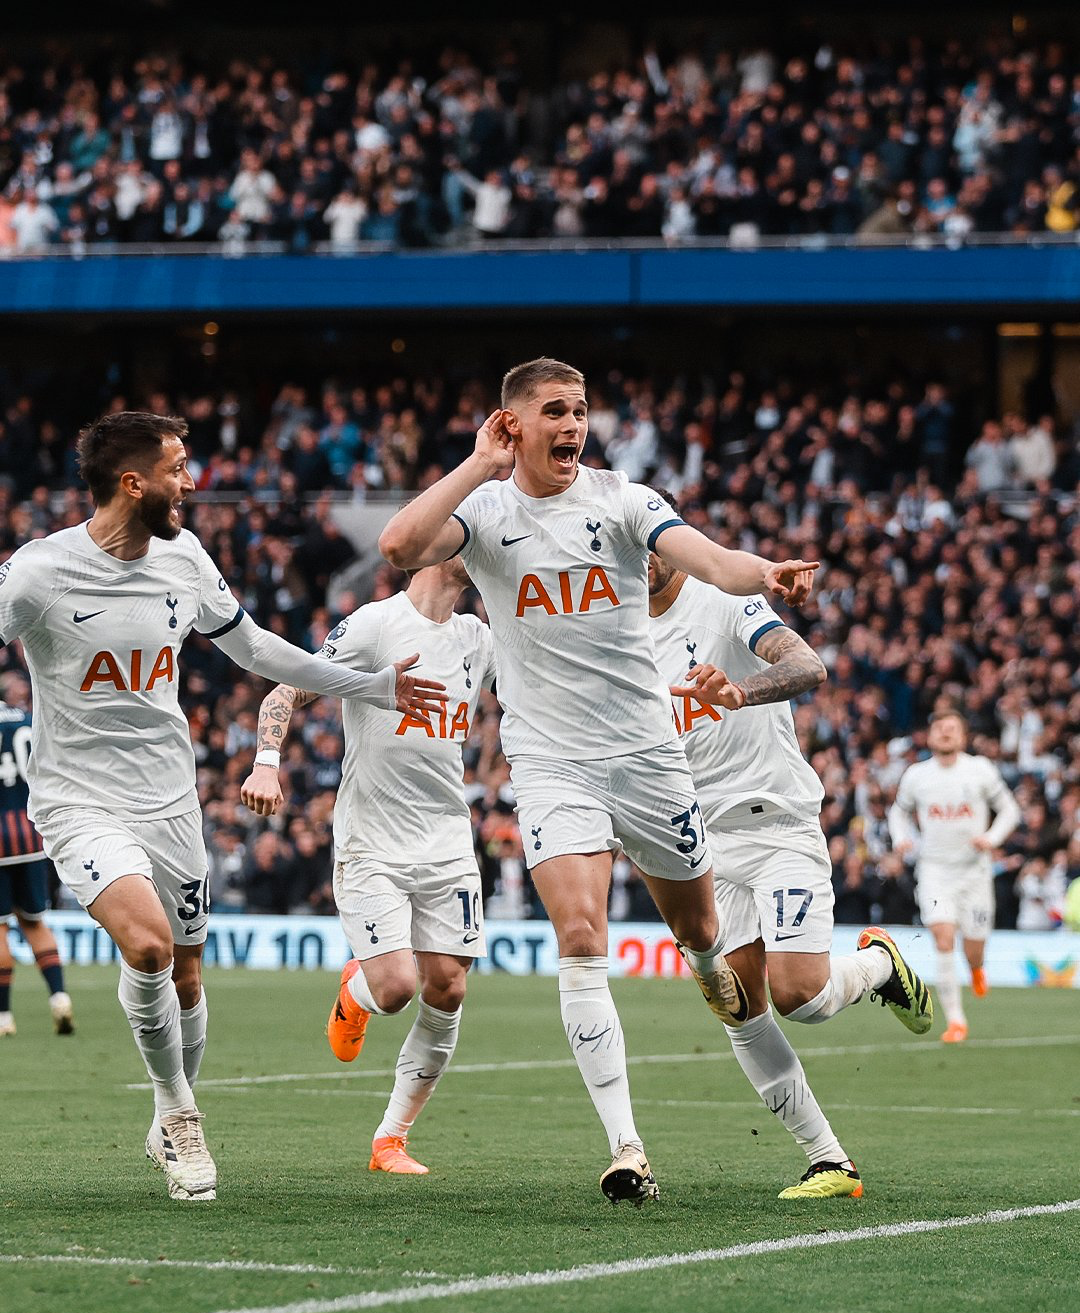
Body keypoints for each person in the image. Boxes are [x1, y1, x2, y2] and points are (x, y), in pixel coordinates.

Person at [378, 356, 819, 1206]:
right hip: (552, 761)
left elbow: (711, 560)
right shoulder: (485, 510)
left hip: (649, 755)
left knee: (701, 936)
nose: (573, 424)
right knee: (580, 939)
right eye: (554, 411)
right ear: (514, 426)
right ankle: (627, 1148)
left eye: (580, 409)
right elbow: (400, 548)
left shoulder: (623, 499)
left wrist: (764, 572)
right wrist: (478, 463)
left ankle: (703, 961)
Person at [0, 411, 446, 1202]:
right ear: (134, 483)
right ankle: (178, 1115)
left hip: (170, 795)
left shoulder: (185, 557)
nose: (193, 480)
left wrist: (370, 686)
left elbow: (254, 650)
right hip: (78, 798)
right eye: (178, 467)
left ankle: (174, 1103)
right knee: (147, 947)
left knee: (188, 974)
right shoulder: (39, 573)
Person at [647, 518, 934, 1201]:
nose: (639, 562)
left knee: (799, 997)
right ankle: (829, 1161)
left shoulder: (722, 598)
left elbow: (808, 664)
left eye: (647, 546)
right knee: (740, 1008)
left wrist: (740, 692)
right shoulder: (622, 635)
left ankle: (877, 964)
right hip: (703, 846)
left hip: (775, 824)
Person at [241, 557, 495, 1176]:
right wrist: (267, 762)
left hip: (447, 840)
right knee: (395, 988)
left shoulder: (479, 639)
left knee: (449, 988)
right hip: (373, 841)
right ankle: (354, 994)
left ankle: (390, 1142)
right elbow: (285, 689)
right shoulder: (374, 626)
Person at [888, 709, 1021, 1044]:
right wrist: (900, 838)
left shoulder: (979, 770)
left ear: (963, 736)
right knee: (943, 938)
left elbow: (1010, 809)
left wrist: (990, 839)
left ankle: (977, 968)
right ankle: (956, 1021)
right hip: (934, 869)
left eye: (952, 729)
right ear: (930, 736)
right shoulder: (917, 775)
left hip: (975, 872)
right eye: (939, 729)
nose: (945, 734)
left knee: (974, 948)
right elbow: (898, 812)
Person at [0, 679, 74, 1038]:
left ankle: (3, 1017)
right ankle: (59, 997)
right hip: (31, 835)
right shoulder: (29, 720)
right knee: (34, 921)